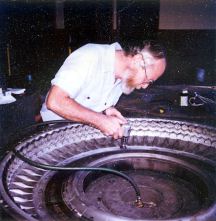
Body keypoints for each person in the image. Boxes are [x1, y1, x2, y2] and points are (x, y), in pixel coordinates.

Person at [40, 40, 166, 139]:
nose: (145, 86)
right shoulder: (89, 57)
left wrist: (105, 110)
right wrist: (100, 120)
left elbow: (88, 98)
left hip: (79, 130)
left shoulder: (124, 75)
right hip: (52, 131)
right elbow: (55, 101)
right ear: (138, 60)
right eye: (148, 80)